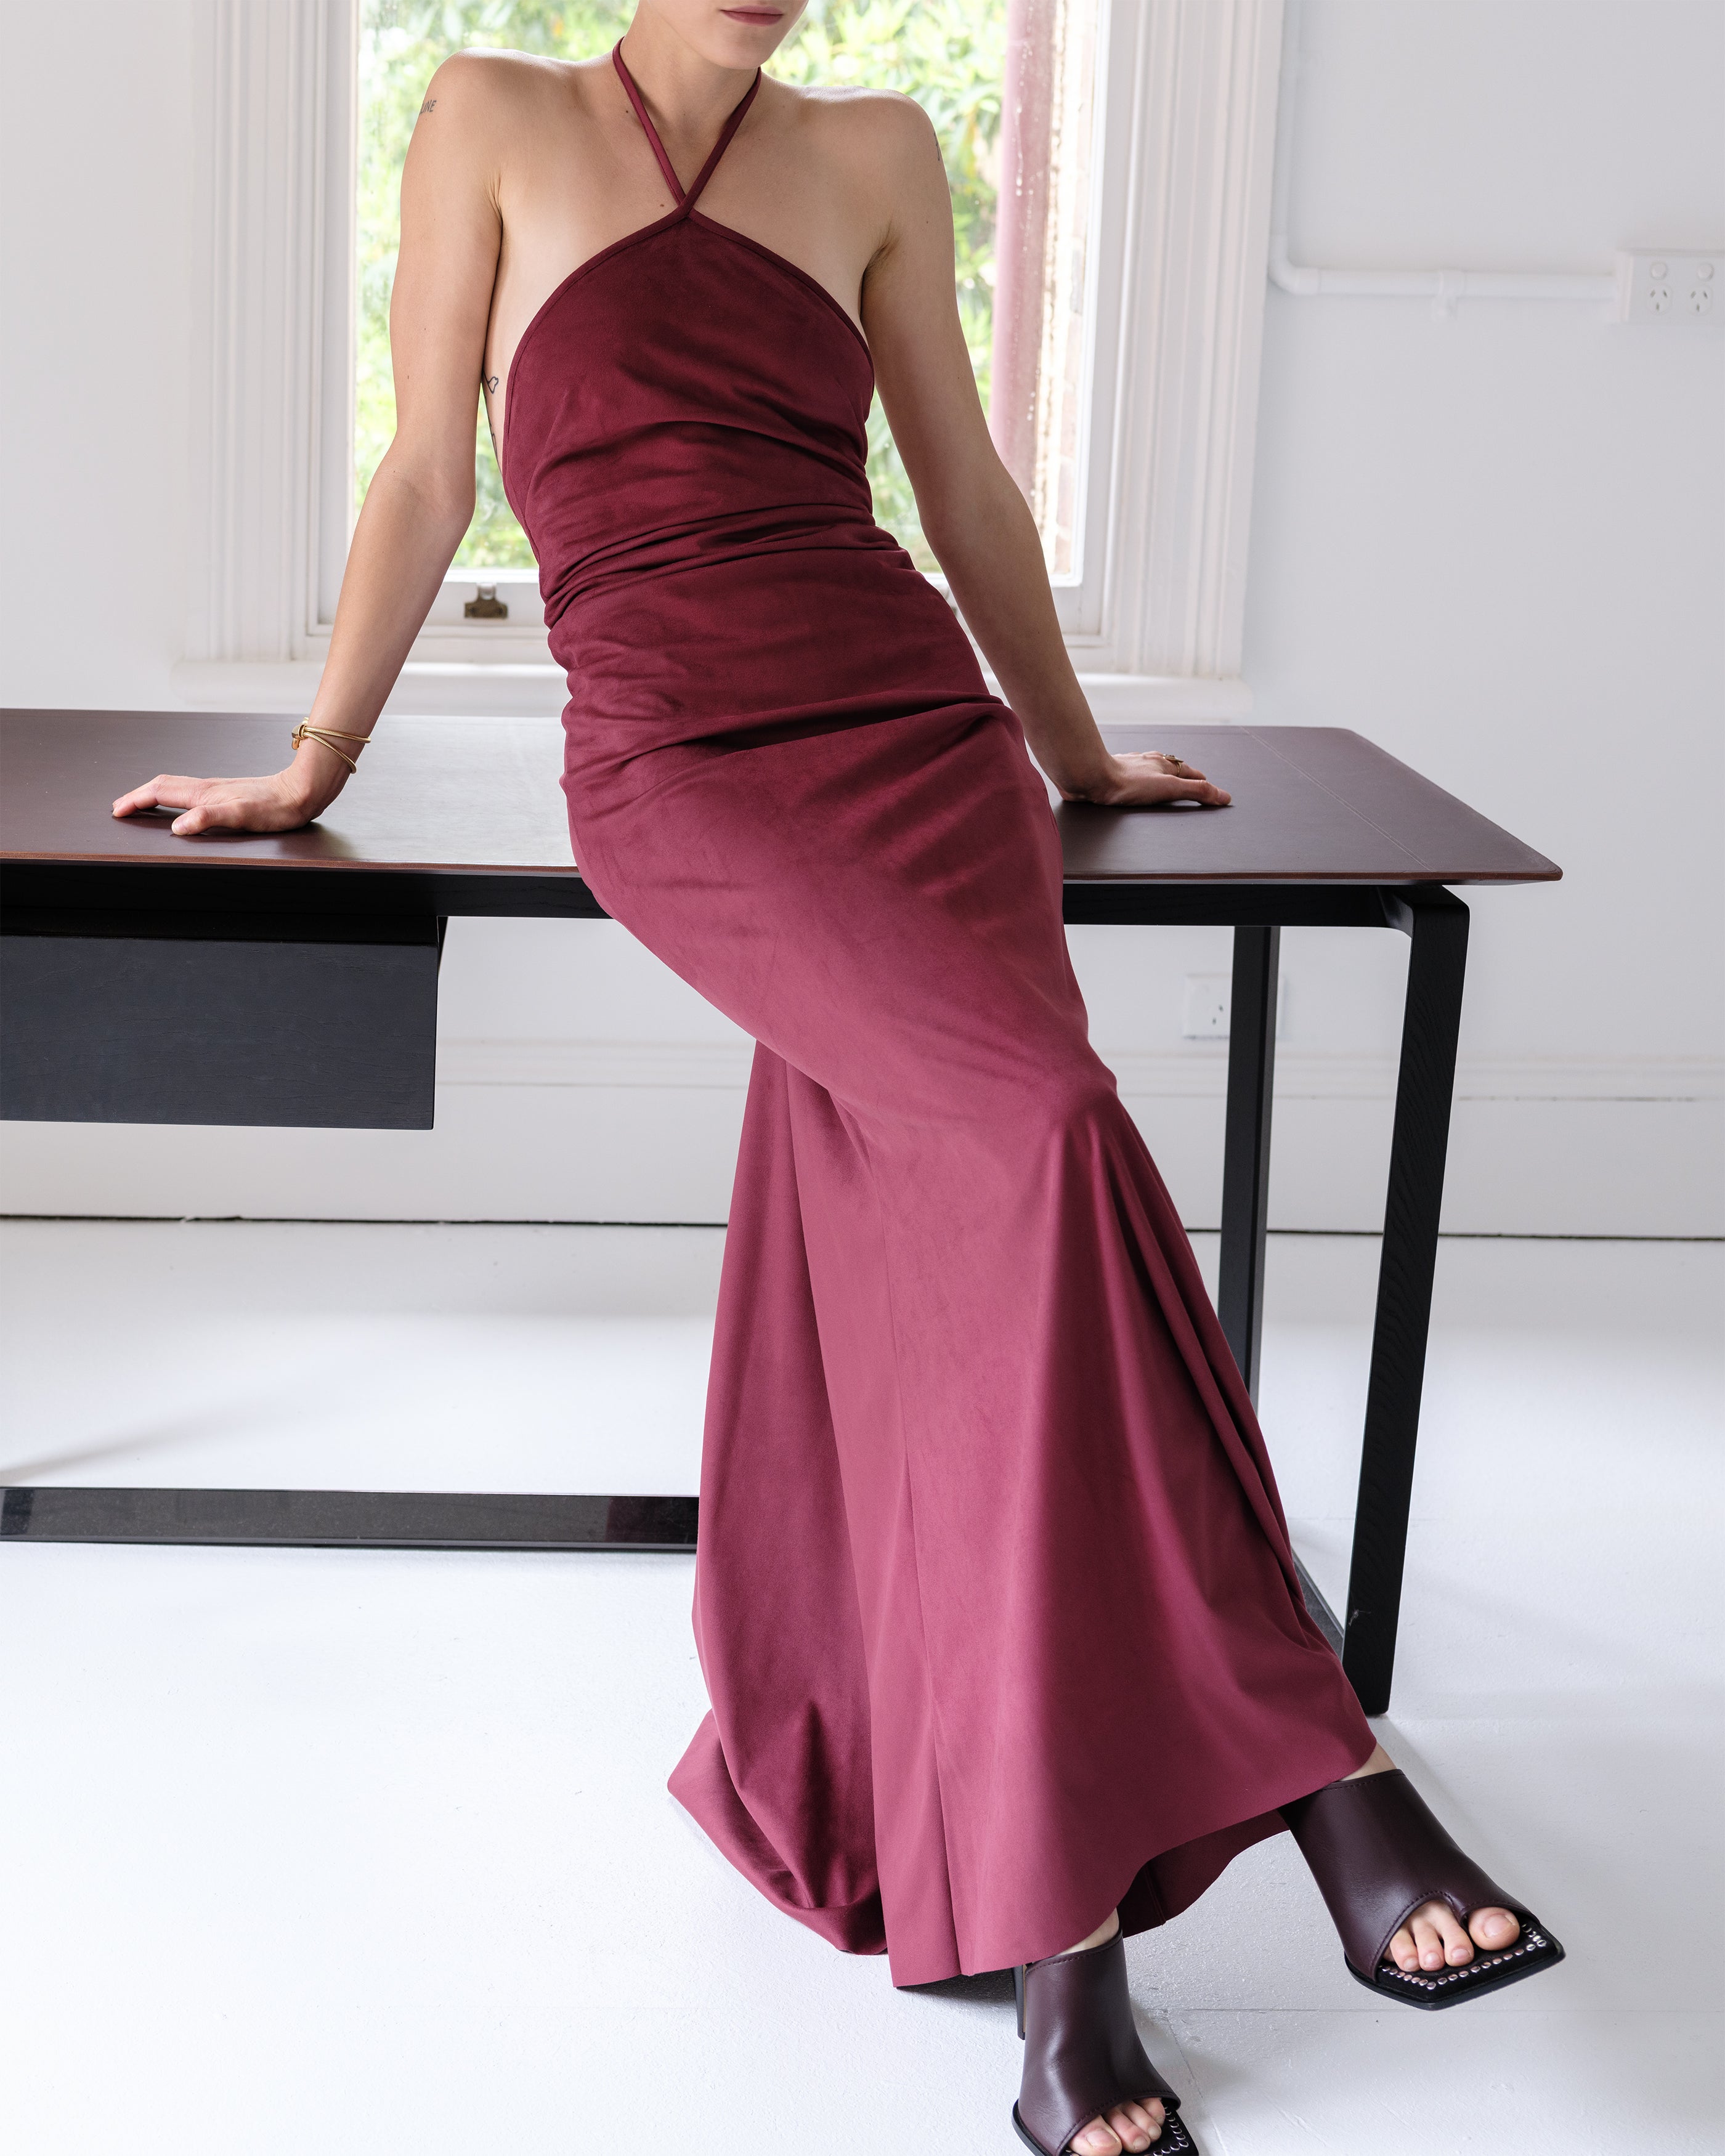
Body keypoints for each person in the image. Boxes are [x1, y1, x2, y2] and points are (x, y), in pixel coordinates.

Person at [113, 6, 1563, 2149]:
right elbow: (427, 461)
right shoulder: (491, 119)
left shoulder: (876, 150)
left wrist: (1070, 758)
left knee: (959, 1256)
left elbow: (958, 481)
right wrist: (311, 763)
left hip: (916, 739)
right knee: (1050, 1136)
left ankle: (1056, 1918)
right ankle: (1323, 1767)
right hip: (684, 764)